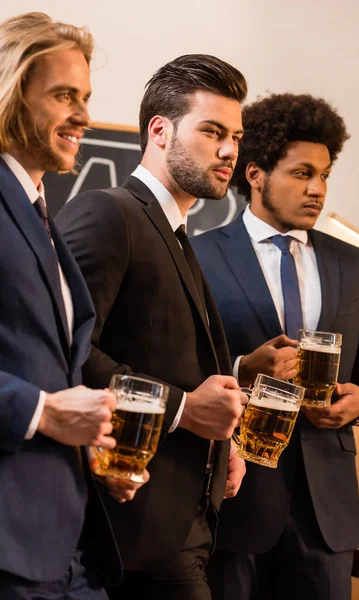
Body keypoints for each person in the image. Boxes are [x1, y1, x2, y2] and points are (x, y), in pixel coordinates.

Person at [56, 54, 248, 600]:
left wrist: (222, 443)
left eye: (235, 135)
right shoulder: (107, 213)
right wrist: (186, 410)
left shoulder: (176, 230)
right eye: (212, 131)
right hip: (125, 532)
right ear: (159, 131)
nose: (230, 150)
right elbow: (68, 356)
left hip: (182, 527)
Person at [192, 92, 359, 600]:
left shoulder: (356, 264)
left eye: (324, 175)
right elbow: (181, 365)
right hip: (233, 501)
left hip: (327, 511)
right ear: (256, 172)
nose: (318, 189)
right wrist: (241, 368)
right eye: (302, 173)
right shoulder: (197, 256)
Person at [0, 12, 148, 599]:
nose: (84, 116)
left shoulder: (40, 212)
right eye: (64, 96)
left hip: (68, 542)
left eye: (84, 97)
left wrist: (89, 438)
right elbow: (43, 398)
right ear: (12, 95)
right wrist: (40, 412)